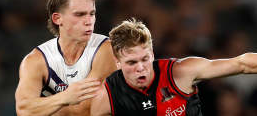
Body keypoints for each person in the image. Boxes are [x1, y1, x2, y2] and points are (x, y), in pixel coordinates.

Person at [90, 18, 257, 116]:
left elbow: (241, 63)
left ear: (153, 54)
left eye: (145, 59)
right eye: (132, 62)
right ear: (117, 62)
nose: (141, 68)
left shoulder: (180, 71)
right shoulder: (106, 96)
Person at [15, 0, 117, 116]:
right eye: (79, 14)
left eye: (91, 14)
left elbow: (87, 110)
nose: (89, 21)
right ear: (57, 18)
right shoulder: (35, 60)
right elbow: (23, 110)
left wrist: (45, 106)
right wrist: (65, 97)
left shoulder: (105, 50)